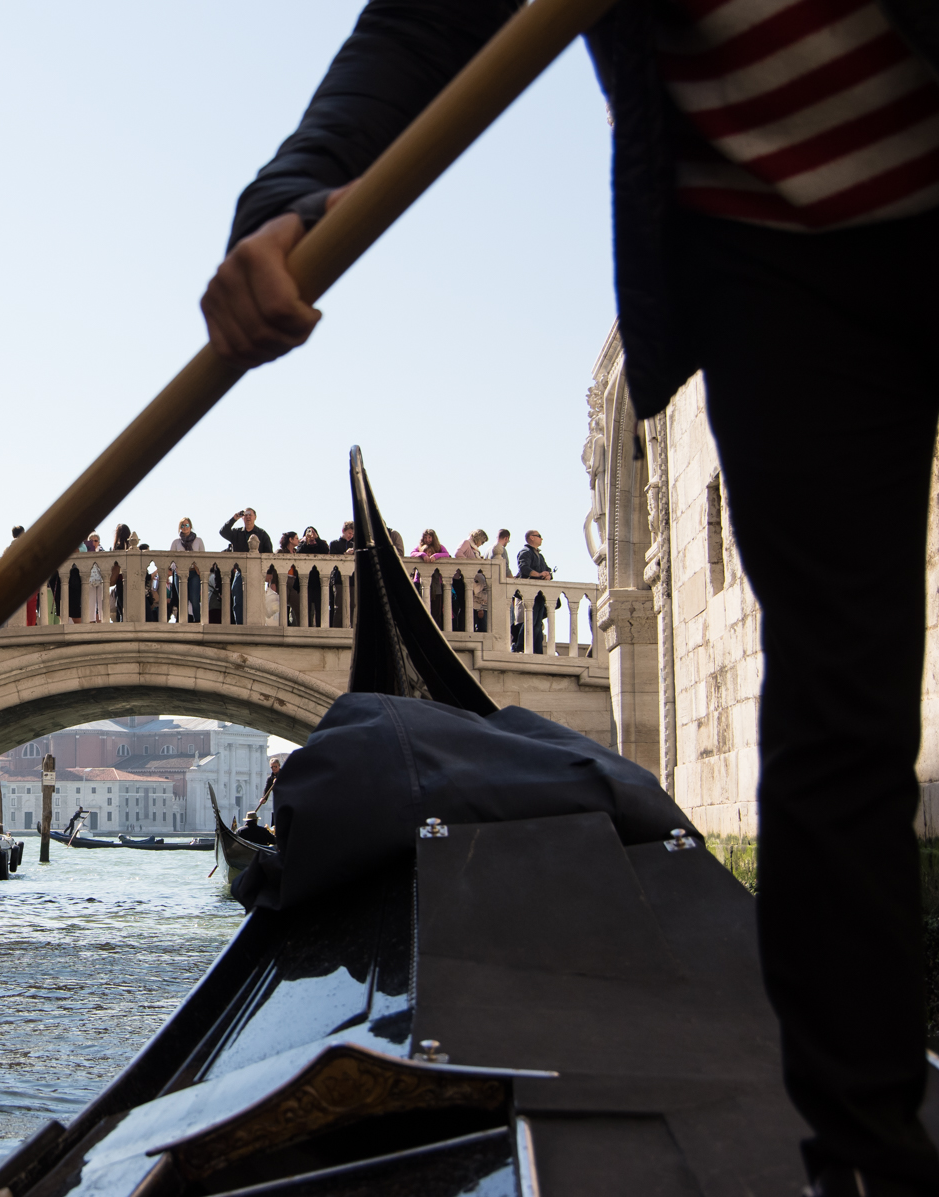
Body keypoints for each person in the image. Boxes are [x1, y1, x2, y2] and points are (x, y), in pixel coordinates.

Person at [206, 8, 939, 1182]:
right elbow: (425, 20)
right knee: (839, 722)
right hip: (771, 260)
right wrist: (293, 191)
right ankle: (870, 1159)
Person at [170, 519, 205, 623]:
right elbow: (170, 559)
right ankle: (184, 621)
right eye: (182, 525)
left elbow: (203, 557)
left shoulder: (198, 540)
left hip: (194, 572)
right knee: (183, 599)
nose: (185, 527)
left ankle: (197, 620)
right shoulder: (176, 542)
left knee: (194, 599)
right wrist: (176, 568)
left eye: (187, 525)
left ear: (190, 526)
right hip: (180, 573)